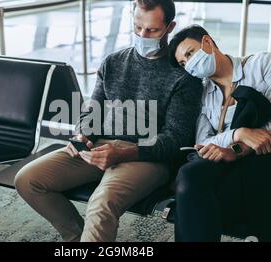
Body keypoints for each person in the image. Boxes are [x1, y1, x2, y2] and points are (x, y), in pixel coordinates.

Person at [14, 0, 203, 242]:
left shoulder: (183, 74)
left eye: (152, 30)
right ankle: (77, 238)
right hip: (99, 146)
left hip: (147, 156)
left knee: (101, 203)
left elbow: (176, 139)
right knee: (28, 180)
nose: (143, 35)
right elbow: (92, 111)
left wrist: (123, 153)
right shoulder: (113, 62)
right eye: (137, 27)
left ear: (170, 27)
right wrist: (82, 135)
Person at [169, 25, 271, 242]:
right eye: (184, 63)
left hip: (265, 157)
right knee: (188, 174)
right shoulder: (203, 92)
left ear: (208, 43)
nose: (189, 64)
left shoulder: (261, 65)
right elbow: (203, 142)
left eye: (190, 53)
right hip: (221, 160)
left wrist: (237, 150)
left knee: (257, 174)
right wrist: (237, 134)